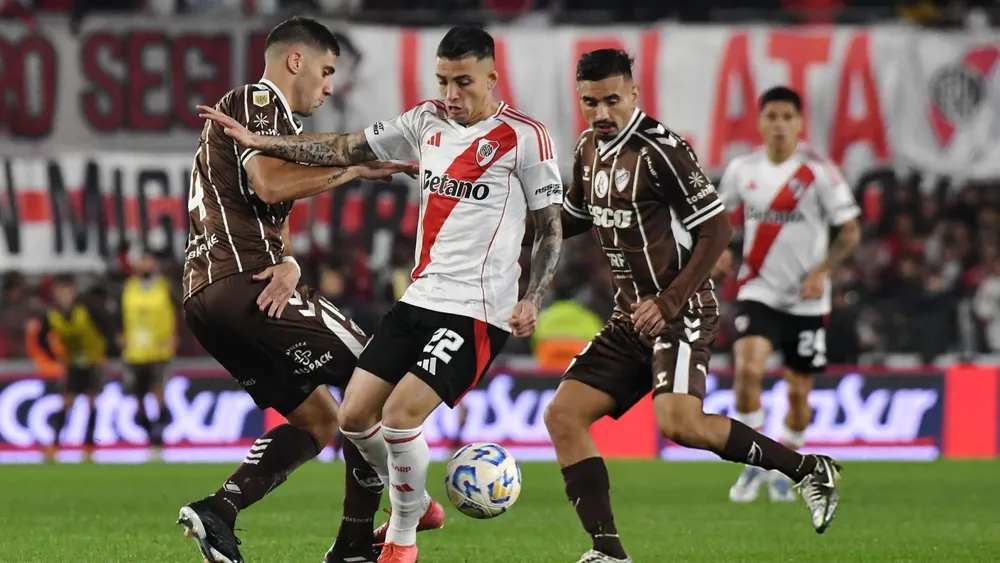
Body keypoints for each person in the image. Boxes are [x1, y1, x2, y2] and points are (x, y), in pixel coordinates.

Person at [200, 25, 565, 563]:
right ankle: (414, 505)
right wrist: (264, 143)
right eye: (443, 81)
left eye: (463, 82)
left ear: (492, 76)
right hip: (418, 300)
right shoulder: (425, 121)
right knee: (353, 418)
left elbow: (550, 227)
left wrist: (533, 295)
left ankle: (401, 538)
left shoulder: (526, 137)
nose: (451, 95)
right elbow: (342, 146)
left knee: (398, 419)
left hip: (476, 310)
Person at [535, 50, 842, 563]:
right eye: (591, 102)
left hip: (681, 310)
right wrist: (490, 218)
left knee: (680, 425)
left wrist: (670, 299)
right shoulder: (589, 147)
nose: (602, 112)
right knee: (563, 416)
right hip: (630, 314)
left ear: (634, 94)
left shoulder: (662, 150)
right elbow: (572, 218)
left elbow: (718, 229)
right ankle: (608, 552)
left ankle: (809, 469)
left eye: (613, 99)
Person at [177, 16, 417, 563]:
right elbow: (270, 182)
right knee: (377, 378)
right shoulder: (260, 102)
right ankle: (359, 543)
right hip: (243, 284)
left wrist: (286, 259)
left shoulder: (262, 123)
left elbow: (266, 205)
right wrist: (354, 166)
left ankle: (219, 511)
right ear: (295, 62)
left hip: (210, 296)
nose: (329, 86)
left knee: (320, 419)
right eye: (327, 70)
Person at [715, 86, 861, 503]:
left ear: (799, 123)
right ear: (760, 122)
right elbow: (719, 219)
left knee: (798, 393)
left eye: (786, 117)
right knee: (747, 370)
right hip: (758, 287)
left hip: (807, 297)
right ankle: (753, 463)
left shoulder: (818, 171)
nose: (778, 124)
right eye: (771, 117)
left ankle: (788, 465)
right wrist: (722, 250)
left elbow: (850, 231)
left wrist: (822, 271)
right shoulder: (742, 169)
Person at [38, 274, 116, 464]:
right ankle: (54, 446)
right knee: (66, 403)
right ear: (55, 293)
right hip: (73, 363)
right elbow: (42, 339)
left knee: (91, 402)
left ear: (73, 292)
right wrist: (55, 357)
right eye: (60, 291)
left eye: (67, 291)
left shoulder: (88, 309)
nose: (64, 295)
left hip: (92, 362)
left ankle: (88, 448)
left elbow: (108, 327)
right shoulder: (52, 315)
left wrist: (107, 352)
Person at [120, 249, 177, 461]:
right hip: (134, 352)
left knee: (158, 391)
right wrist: (119, 335)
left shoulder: (166, 287)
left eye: (148, 261)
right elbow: (119, 314)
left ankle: (158, 441)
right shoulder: (128, 287)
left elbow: (183, 309)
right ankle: (150, 434)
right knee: (138, 400)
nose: (145, 265)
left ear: (155, 264)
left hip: (159, 351)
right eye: (142, 261)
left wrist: (173, 335)